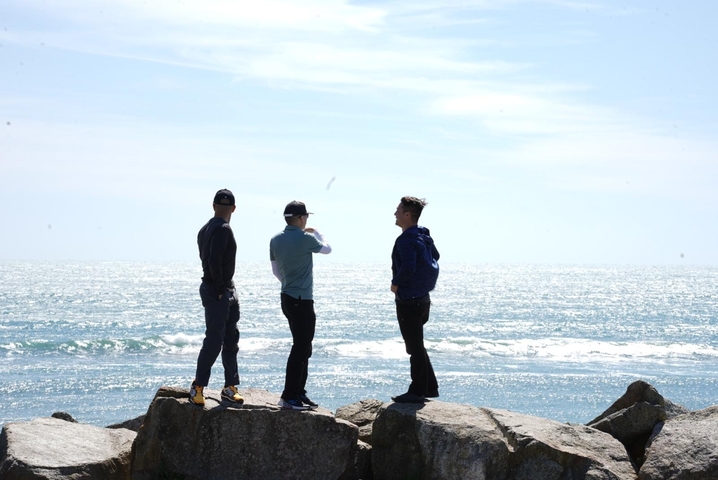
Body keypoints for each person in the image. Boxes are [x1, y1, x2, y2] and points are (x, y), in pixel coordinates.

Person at [270, 200, 332, 410]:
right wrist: (317, 232)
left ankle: (299, 391)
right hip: (302, 300)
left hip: (287, 297)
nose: (307, 220)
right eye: (306, 216)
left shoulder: (275, 240)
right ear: (300, 218)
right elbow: (327, 249)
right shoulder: (306, 239)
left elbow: (276, 271)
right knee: (300, 348)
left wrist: (289, 284)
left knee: (304, 346)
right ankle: (289, 396)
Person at [189, 188, 244, 407]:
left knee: (230, 339)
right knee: (216, 340)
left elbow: (208, 258)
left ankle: (230, 387)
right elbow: (212, 260)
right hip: (219, 290)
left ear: (214, 206)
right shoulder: (223, 229)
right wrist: (221, 288)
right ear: (234, 208)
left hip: (222, 289)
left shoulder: (204, 229)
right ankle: (199, 386)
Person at [390, 196, 440, 403]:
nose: (395, 213)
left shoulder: (406, 240)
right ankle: (429, 387)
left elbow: (408, 267)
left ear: (408, 214)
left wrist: (396, 283)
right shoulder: (423, 235)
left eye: (399, 210)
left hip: (409, 299)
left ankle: (417, 390)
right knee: (417, 344)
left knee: (414, 347)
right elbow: (436, 256)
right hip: (423, 299)